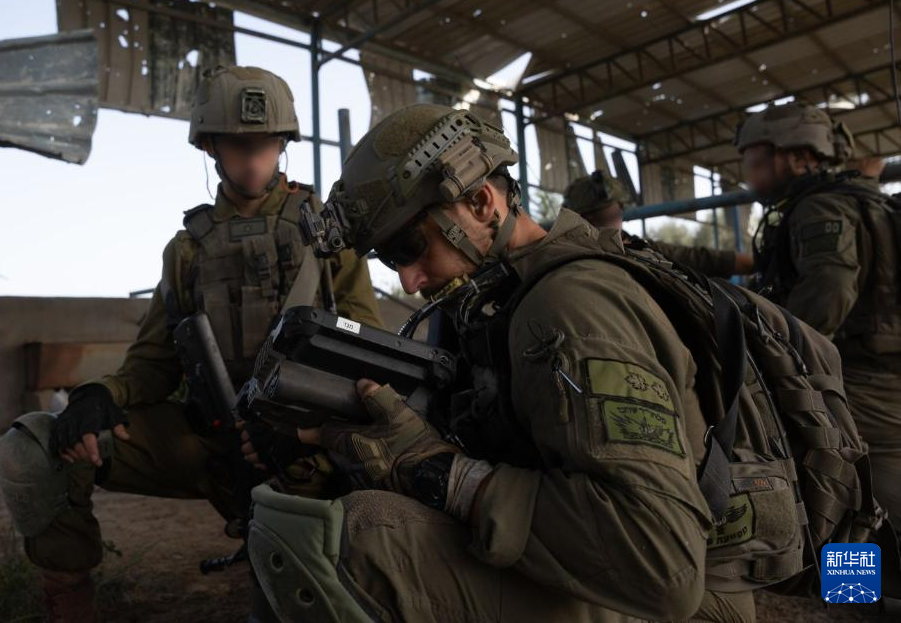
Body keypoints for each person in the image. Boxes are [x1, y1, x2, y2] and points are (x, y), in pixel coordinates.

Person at [244, 104, 757, 622]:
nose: (409, 281)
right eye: (391, 259)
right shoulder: (493, 304)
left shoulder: (569, 308)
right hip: (613, 576)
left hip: (681, 600)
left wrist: (436, 470)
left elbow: (662, 567)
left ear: (480, 202)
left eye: (409, 246)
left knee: (365, 541)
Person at [0, 65, 383, 622]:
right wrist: (100, 394)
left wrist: (309, 434)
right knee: (36, 445)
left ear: (283, 144)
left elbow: (363, 349)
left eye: (266, 144)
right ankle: (70, 601)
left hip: (303, 452)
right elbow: (153, 363)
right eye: (238, 144)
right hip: (207, 440)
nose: (253, 159)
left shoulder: (325, 234)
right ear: (210, 147)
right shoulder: (187, 250)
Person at [736, 102, 901, 538]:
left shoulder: (820, 208)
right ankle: (856, 575)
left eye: (754, 161)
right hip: (875, 368)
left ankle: (852, 575)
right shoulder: (859, 197)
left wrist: (777, 360)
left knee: (857, 496)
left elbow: (828, 294)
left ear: (795, 156)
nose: (747, 175)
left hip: (859, 380)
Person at [563, 170, 753, 277]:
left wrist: (758, 262)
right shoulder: (564, 259)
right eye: (594, 220)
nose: (605, 228)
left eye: (613, 216)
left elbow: (695, 258)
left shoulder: (638, 248)